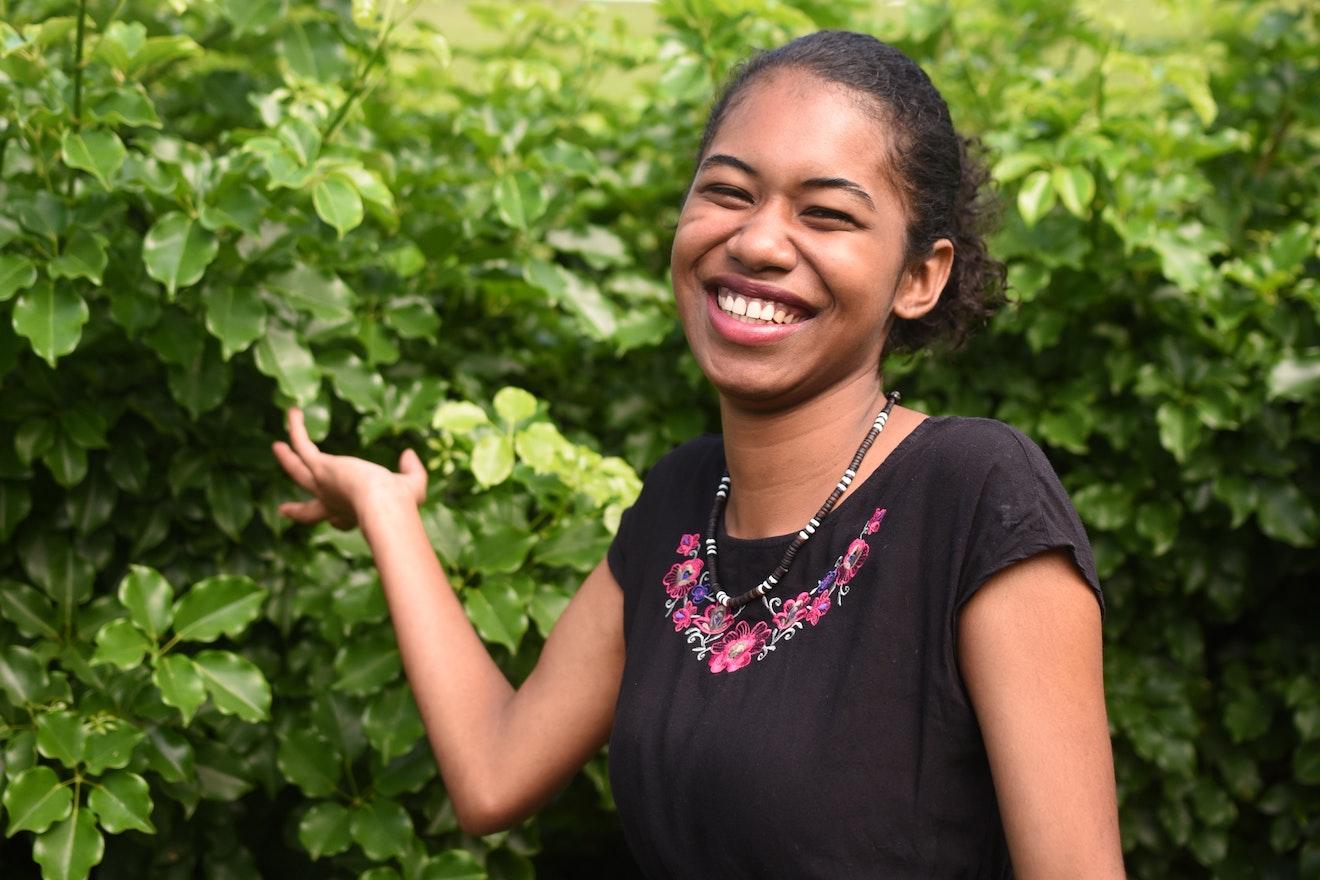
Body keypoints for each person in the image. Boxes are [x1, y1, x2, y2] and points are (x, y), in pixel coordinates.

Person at [272, 30, 1125, 879]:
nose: (756, 242)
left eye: (825, 213)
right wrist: (387, 510)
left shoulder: (977, 496)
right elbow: (493, 772)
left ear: (919, 277)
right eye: (727, 192)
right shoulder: (683, 501)